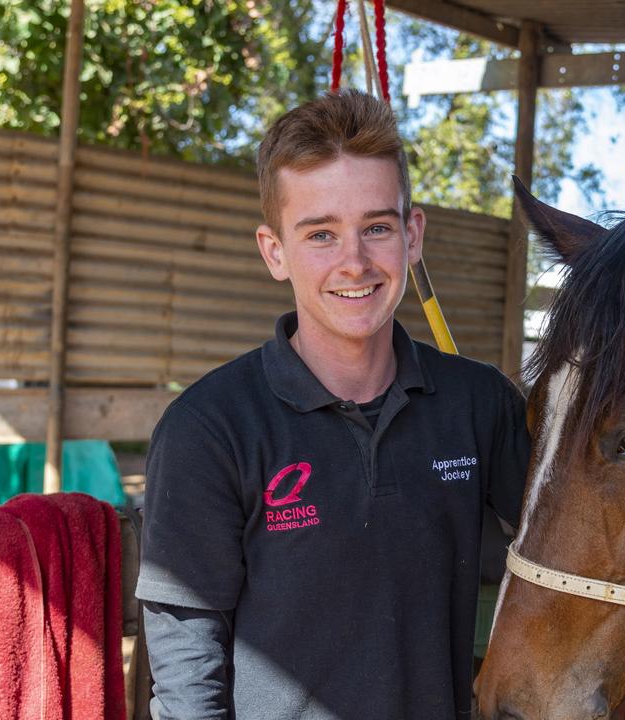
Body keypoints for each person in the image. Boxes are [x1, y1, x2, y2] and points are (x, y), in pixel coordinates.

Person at [135, 90, 530, 719]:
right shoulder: (209, 429)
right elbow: (186, 654)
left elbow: (581, 544)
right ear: (274, 251)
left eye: (377, 227)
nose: (355, 263)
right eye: (320, 234)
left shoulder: (480, 404)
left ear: (413, 234)